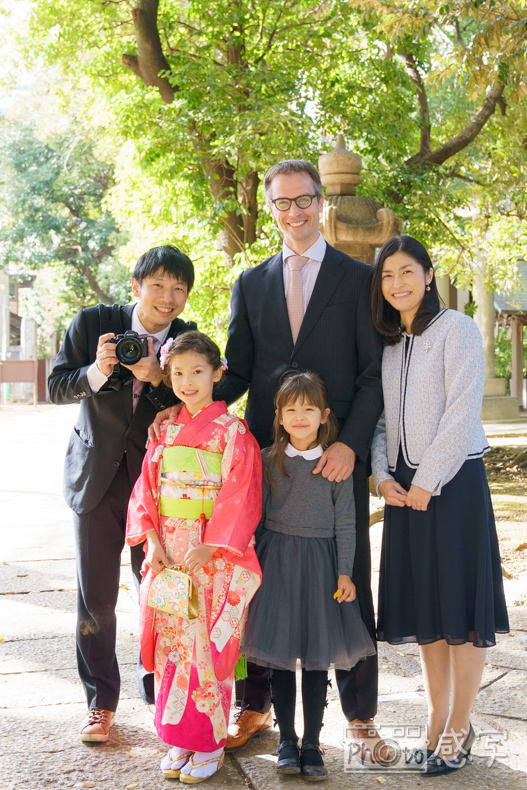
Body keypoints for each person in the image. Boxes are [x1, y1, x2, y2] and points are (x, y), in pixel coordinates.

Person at [151, 160, 384, 760]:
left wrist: (349, 444)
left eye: (304, 200)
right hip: (267, 464)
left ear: (319, 204)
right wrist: (184, 412)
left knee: (347, 580)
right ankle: (257, 706)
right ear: (272, 210)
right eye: (282, 204)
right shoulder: (251, 284)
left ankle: (360, 715)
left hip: (334, 461)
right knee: (259, 582)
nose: (294, 212)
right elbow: (241, 372)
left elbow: (370, 372)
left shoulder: (359, 280)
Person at [370, 235, 509, 776]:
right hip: (404, 492)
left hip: (453, 488)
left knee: (461, 610)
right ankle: (435, 717)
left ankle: (460, 726)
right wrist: (383, 478)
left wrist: (428, 480)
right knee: (425, 606)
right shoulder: (386, 344)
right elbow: (382, 421)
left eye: (407, 272)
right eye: (387, 276)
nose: (398, 283)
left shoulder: (458, 330)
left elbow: (462, 411)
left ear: (428, 275)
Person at [48, 245, 197, 742]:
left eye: (179, 289)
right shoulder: (95, 323)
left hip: (157, 487)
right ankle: (100, 704)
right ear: (136, 286)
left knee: (159, 593)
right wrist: (98, 370)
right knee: (96, 597)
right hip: (95, 477)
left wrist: (158, 379)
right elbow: (57, 386)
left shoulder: (187, 341)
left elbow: (200, 406)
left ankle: (162, 695)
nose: (168, 297)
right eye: (158, 285)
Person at [126, 331, 262, 782]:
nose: (187, 381)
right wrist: (154, 541)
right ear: (168, 374)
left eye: (198, 372)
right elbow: (146, 488)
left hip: (213, 555)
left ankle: (209, 741)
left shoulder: (233, 432)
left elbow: (241, 494)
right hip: (170, 548)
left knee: (205, 646)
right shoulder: (163, 428)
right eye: (178, 373)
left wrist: (214, 544)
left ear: (217, 374)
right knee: (171, 643)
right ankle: (178, 738)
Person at [242, 372, 375, 780]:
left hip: (321, 566)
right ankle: (287, 740)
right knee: (280, 657)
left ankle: (313, 743)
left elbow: (347, 524)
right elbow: (255, 517)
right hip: (277, 563)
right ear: (279, 416)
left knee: (317, 660)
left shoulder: (334, 465)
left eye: (309, 409)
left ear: (324, 415)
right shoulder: (268, 460)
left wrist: (345, 572)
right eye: (291, 409)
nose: (300, 417)